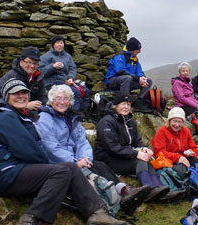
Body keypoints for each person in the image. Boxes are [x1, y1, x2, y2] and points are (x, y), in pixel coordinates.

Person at [0, 79, 126, 225]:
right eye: (16, 93)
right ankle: (28, 219)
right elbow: (27, 150)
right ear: (6, 96)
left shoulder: (19, 115)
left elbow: (35, 148)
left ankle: (96, 213)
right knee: (62, 171)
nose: (21, 96)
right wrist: (49, 166)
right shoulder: (5, 117)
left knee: (69, 168)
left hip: (18, 168)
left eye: (24, 93)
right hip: (6, 173)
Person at [36, 84, 150, 216]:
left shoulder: (72, 118)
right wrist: (75, 162)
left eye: (66, 99)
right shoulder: (45, 119)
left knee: (99, 165)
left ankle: (123, 190)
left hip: (76, 160)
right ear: (51, 100)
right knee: (88, 173)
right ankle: (112, 202)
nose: (62, 102)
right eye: (58, 98)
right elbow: (51, 147)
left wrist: (85, 159)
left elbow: (82, 141)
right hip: (56, 162)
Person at [94, 91, 184, 203]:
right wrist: (136, 154)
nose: (126, 107)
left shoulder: (129, 121)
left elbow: (137, 140)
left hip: (124, 156)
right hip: (109, 160)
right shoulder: (106, 122)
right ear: (115, 105)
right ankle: (150, 189)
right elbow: (113, 147)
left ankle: (160, 188)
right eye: (123, 104)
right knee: (140, 161)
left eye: (128, 104)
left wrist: (143, 148)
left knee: (147, 160)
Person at [39, 35, 90, 113]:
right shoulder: (46, 57)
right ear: (53, 44)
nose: (60, 45)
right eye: (57, 43)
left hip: (65, 81)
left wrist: (70, 78)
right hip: (51, 82)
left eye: (61, 43)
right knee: (74, 92)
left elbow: (72, 68)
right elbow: (40, 71)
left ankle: (84, 113)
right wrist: (52, 66)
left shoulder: (67, 56)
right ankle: (74, 114)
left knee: (85, 91)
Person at [104, 37, 152, 110]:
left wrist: (142, 78)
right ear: (132, 50)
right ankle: (124, 102)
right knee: (127, 78)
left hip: (128, 80)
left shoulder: (134, 58)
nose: (140, 51)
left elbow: (139, 71)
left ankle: (139, 102)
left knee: (148, 81)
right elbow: (120, 71)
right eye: (138, 49)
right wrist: (137, 79)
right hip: (112, 81)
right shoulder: (120, 56)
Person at [0, 46, 47, 111]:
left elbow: (42, 97)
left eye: (35, 63)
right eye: (29, 62)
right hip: (11, 113)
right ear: (21, 63)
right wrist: (25, 106)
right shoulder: (10, 77)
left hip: (33, 113)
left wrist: (40, 106)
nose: (32, 66)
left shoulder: (38, 77)